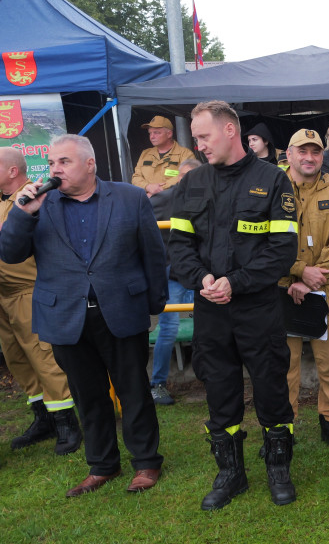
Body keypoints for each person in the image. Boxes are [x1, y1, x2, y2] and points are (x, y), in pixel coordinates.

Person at [0, 134, 167, 496]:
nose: (55, 169)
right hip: (66, 317)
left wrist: (155, 303)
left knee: (133, 390)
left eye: (64, 161)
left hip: (121, 310)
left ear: (89, 165)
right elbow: (10, 254)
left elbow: (153, 255)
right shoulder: (37, 205)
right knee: (88, 396)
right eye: (52, 162)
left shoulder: (130, 197)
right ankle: (102, 465)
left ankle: (146, 462)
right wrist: (21, 213)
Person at [169, 101, 299, 510]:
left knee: (271, 388)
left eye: (204, 136)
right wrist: (203, 279)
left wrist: (236, 282)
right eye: (196, 137)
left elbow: (282, 249)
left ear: (230, 131)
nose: (199, 145)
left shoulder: (273, 180)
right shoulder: (191, 183)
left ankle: (279, 469)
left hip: (257, 308)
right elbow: (178, 245)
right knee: (220, 392)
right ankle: (231, 474)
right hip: (211, 309)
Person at [0, 147, 82, 455]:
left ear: (12, 171)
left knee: (44, 359)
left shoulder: (30, 198)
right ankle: (43, 418)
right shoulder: (4, 201)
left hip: (28, 292)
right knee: (18, 360)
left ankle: (66, 423)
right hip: (5, 295)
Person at [280, 129, 329, 449]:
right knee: (284, 367)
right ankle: (283, 427)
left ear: (322, 156)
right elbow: (266, 241)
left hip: (328, 293)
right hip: (284, 292)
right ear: (289, 153)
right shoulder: (272, 188)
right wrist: (298, 273)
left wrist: (312, 277)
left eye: (315, 152)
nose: (309, 157)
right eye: (302, 151)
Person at [147, 157, 201, 405]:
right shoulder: (165, 198)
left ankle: (214, 376)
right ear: (178, 178)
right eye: (184, 178)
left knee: (214, 325)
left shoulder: (209, 196)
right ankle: (157, 384)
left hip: (203, 274)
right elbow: (140, 220)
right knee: (167, 328)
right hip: (176, 275)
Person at [131, 115, 196, 197]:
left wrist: (158, 190)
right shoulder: (145, 154)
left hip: (172, 202)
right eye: (150, 133)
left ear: (169, 134)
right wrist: (148, 187)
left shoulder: (185, 154)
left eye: (156, 133)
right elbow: (136, 177)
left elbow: (186, 176)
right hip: (147, 202)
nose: (152, 137)